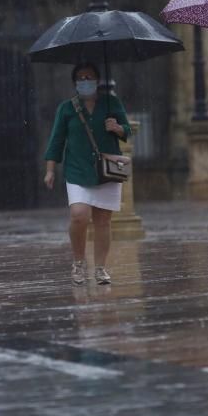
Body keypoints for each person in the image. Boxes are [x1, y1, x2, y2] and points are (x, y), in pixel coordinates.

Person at [43, 63, 131, 286]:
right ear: (75, 83)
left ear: (98, 80)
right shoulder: (67, 108)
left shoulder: (112, 103)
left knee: (103, 220)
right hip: (77, 169)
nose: (85, 80)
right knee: (79, 215)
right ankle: (79, 262)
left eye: (89, 77)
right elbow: (56, 140)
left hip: (106, 169)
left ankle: (100, 268)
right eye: (81, 77)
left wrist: (117, 128)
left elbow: (127, 130)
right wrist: (51, 170)